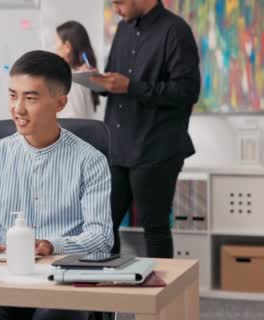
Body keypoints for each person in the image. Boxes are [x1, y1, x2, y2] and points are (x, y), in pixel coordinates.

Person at [0, 51, 113, 320]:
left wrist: (50, 245)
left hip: (60, 283)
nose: (18, 108)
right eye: (13, 95)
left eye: (30, 98)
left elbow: (101, 239)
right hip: (2, 282)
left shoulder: (90, 160)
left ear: (60, 103)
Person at [90, 0, 201, 258]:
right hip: (117, 146)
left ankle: (161, 297)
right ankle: (109, 289)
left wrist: (132, 87)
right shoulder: (123, 29)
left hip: (156, 148)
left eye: (119, 2)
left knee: (155, 227)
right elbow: (117, 80)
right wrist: (100, 82)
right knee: (103, 226)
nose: (116, 9)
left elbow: (187, 91)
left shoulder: (175, 31)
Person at [54, 21, 100, 119]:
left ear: (67, 47)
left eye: (56, 42)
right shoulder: (82, 76)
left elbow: (74, 120)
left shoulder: (73, 81)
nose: (55, 48)